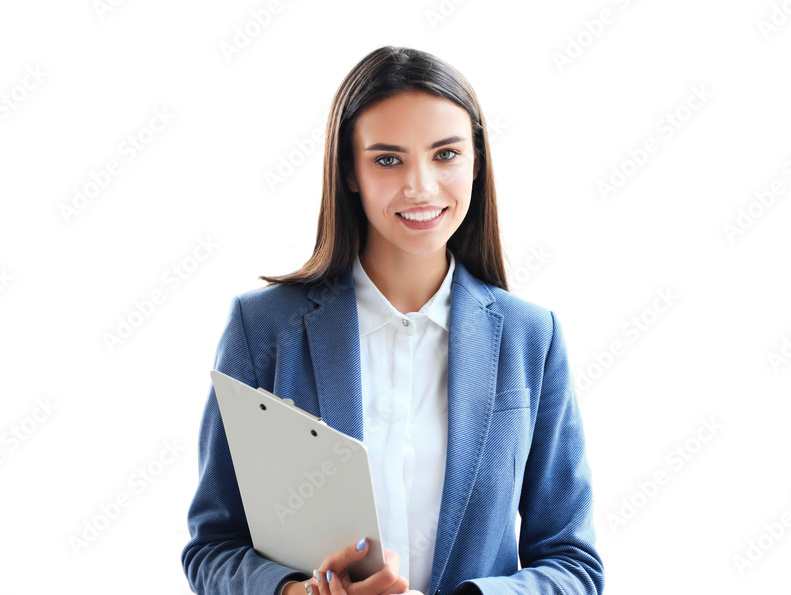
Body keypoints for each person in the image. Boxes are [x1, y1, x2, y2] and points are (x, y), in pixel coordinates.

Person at [181, 45, 604, 595]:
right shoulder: (263, 329)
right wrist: (294, 594)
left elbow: (573, 562)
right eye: (387, 159)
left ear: (476, 161)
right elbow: (214, 546)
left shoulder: (531, 338)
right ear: (350, 172)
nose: (421, 187)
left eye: (446, 154)